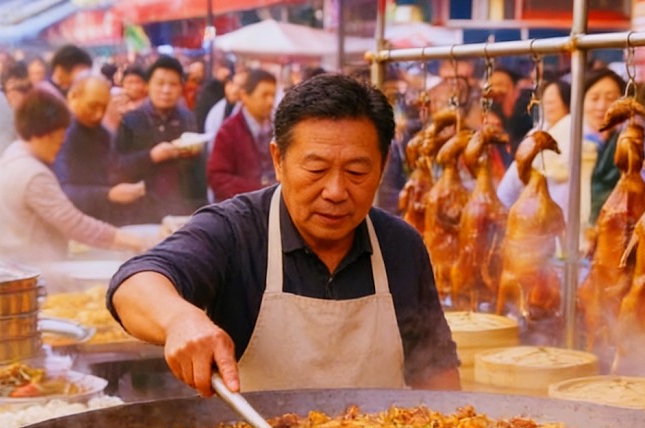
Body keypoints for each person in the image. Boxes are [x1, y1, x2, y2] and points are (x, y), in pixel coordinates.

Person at [107, 73, 460, 397]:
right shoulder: (236, 230)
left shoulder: (401, 247)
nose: (335, 191)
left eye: (356, 171)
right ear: (278, 160)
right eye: (316, 169)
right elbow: (133, 284)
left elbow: (437, 374)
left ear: (382, 167)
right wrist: (180, 319)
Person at [0, 88, 151, 290]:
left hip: (18, 267)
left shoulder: (10, 156)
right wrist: (135, 242)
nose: (62, 141)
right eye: (59, 135)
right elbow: (75, 225)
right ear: (44, 134)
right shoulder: (33, 174)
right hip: (34, 273)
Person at [113, 55, 207, 223]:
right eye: (160, 83)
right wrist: (151, 156)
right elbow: (117, 167)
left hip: (182, 209)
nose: (166, 90)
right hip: (142, 211)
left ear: (181, 88)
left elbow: (198, 172)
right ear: (148, 85)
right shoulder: (131, 120)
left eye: (173, 84)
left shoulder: (188, 119)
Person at [55, 76, 147, 224]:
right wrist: (108, 194)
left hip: (101, 220)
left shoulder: (101, 133)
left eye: (103, 108)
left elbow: (114, 167)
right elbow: (62, 192)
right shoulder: (61, 135)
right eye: (92, 106)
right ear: (74, 97)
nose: (98, 114)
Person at [497, 80, 573, 222]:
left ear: (567, 103)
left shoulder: (575, 132)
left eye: (552, 103)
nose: (548, 107)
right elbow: (512, 179)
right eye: (545, 102)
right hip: (531, 210)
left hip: (562, 208)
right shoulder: (536, 132)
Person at [207, 69, 278, 201]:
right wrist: (260, 190)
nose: (270, 101)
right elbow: (218, 178)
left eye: (273, 95)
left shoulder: (277, 128)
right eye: (264, 95)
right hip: (243, 209)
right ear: (245, 96)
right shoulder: (229, 130)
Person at [582, 69, 629, 227]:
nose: (602, 106)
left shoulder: (627, 143)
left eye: (611, 99)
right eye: (594, 98)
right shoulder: (565, 141)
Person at [103, 63, 146, 133]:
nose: (134, 87)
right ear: (123, 84)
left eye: (138, 82)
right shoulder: (114, 101)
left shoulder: (150, 102)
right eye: (130, 82)